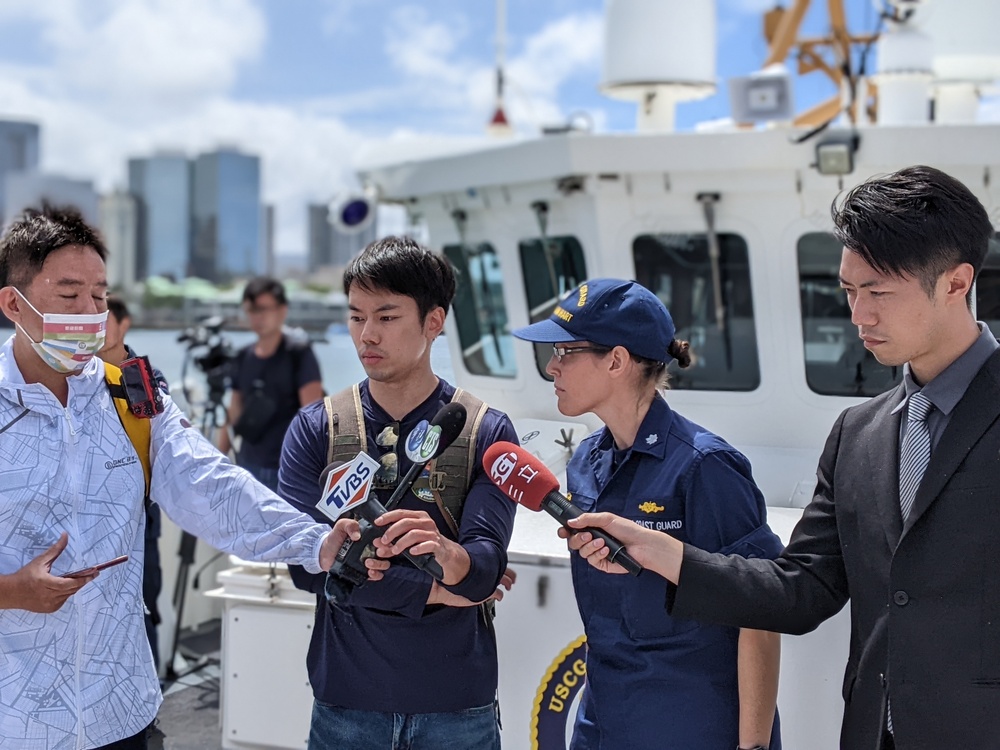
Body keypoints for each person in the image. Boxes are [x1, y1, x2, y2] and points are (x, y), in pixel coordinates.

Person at [565, 166, 999, 750]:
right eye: (849, 291)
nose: (858, 316)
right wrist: (661, 552)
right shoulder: (858, 434)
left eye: (878, 292)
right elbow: (802, 588)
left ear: (955, 282)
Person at [0, 204, 352, 749]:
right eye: (69, 296)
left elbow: (209, 485)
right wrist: (11, 592)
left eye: (99, 296)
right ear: (12, 303)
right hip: (15, 724)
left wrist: (315, 542)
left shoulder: (132, 397)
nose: (89, 313)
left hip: (124, 714)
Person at [512, 278, 783, 750]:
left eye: (563, 351)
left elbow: (759, 613)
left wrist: (754, 747)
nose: (551, 368)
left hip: (695, 725)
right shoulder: (585, 464)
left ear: (616, 360)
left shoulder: (705, 466)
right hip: (604, 721)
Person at [279, 236, 518, 750]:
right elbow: (303, 566)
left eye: (386, 318)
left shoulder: (485, 431)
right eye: (355, 316)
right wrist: (437, 588)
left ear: (434, 322)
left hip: (458, 707)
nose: (366, 335)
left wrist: (449, 555)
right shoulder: (315, 428)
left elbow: (485, 563)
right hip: (346, 702)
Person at [100, 295, 169, 671]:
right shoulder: (78, 376)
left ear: (124, 324)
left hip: (139, 518)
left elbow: (162, 439)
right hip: (96, 517)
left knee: (143, 605)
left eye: (103, 317)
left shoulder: (144, 377)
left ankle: (151, 698)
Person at [218, 276, 324, 491]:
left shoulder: (298, 353)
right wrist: (218, 461)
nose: (257, 317)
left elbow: (313, 414)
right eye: (251, 310)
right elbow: (234, 410)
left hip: (289, 468)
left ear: (282, 310)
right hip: (248, 465)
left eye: (263, 309)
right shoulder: (242, 356)